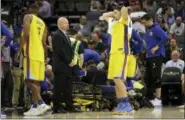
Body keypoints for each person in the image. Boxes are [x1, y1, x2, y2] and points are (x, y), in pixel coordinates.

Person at [15, 3, 51, 116]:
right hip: (40, 55)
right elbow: (44, 44)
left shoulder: (28, 17)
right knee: (36, 82)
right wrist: (45, 58)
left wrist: (18, 50)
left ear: (29, 10)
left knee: (28, 81)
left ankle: (41, 103)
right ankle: (35, 106)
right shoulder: (43, 23)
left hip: (30, 54)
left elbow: (25, 34)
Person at [100, 6, 134, 115]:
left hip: (122, 52)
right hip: (113, 53)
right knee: (116, 80)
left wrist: (122, 8)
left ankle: (127, 105)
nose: (114, 14)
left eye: (116, 12)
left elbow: (124, 12)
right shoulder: (113, 21)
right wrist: (113, 13)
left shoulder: (125, 19)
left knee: (118, 79)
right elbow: (103, 16)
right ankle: (120, 104)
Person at [52, 17, 81, 113]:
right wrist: (69, 60)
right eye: (66, 23)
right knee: (59, 87)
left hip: (67, 66)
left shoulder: (66, 35)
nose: (68, 25)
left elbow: (69, 50)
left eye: (67, 23)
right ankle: (57, 107)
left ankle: (69, 106)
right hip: (60, 66)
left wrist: (71, 60)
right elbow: (60, 51)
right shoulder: (56, 35)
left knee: (68, 88)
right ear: (60, 24)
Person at [141, 14, 168, 107]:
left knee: (156, 76)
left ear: (149, 20)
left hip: (156, 56)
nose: (143, 24)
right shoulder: (148, 29)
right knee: (148, 77)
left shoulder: (156, 28)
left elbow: (165, 37)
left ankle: (158, 99)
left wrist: (157, 46)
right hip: (150, 56)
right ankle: (150, 97)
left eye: (144, 22)